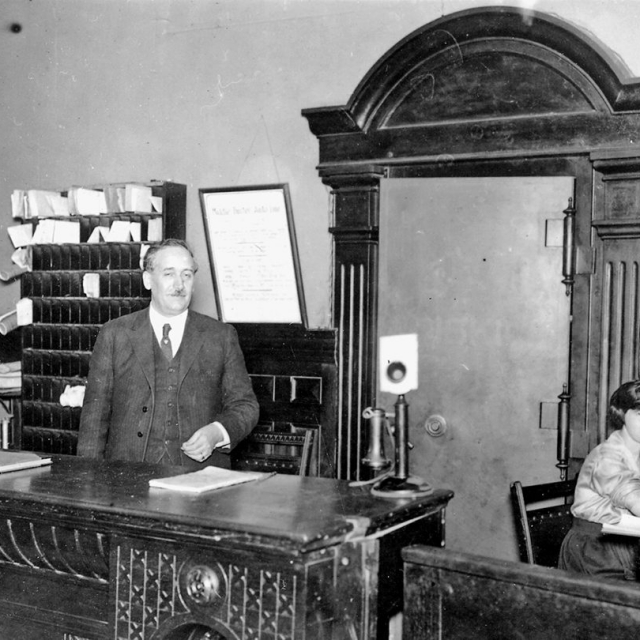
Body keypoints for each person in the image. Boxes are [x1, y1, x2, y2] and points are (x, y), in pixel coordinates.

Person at [77, 238, 259, 470]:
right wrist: (86, 481)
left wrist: (217, 431)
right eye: (168, 274)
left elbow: (246, 406)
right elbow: (94, 418)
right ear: (147, 280)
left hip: (200, 480)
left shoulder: (220, 336)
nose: (179, 285)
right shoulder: (115, 334)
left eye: (187, 275)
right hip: (126, 479)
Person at [558, 379, 640, 581]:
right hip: (594, 550)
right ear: (621, 413)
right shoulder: (606, 457)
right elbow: (635, 499)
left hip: (626, 543)